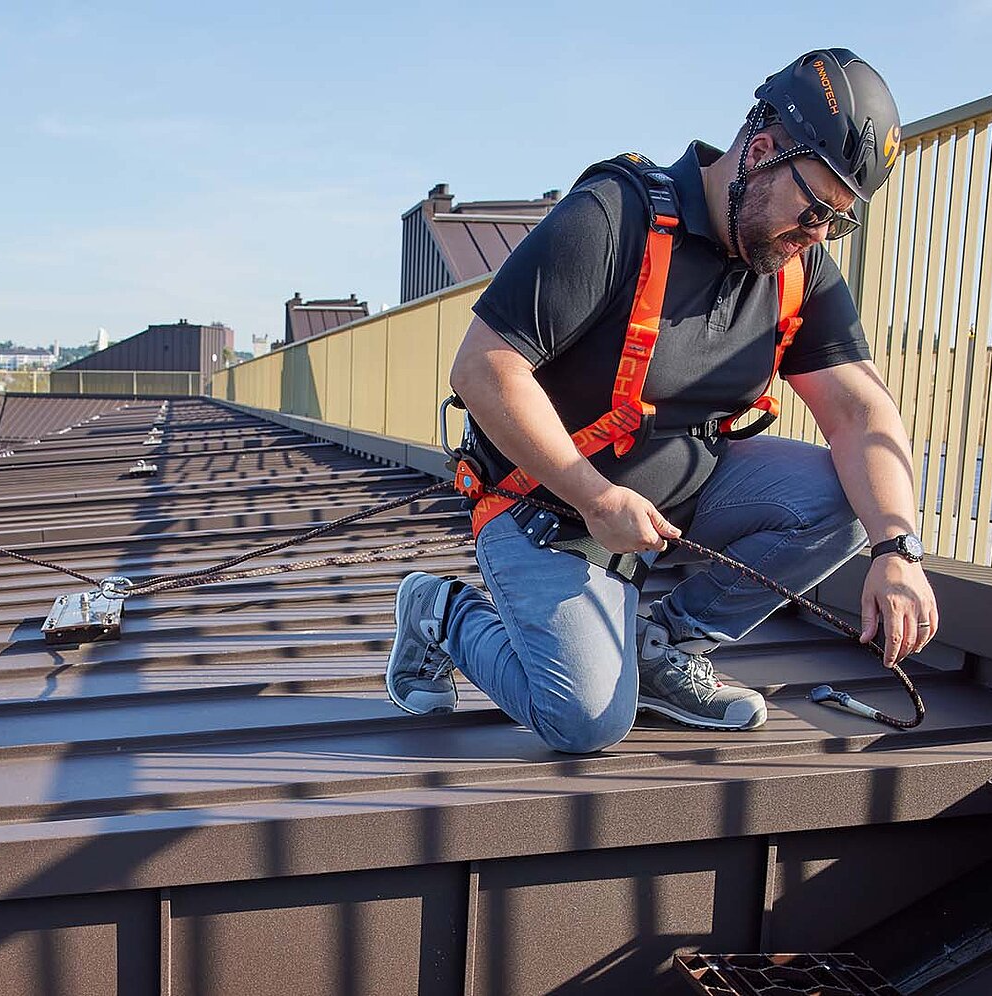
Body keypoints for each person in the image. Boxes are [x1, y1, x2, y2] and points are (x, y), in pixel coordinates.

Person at [386, 50, 938, 753]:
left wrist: (899, 550)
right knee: (584, 721)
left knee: (851, 502)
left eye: (840, 221)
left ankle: (657, 647)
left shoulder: (796, 265)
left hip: (680, 492)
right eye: (815, 210)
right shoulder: (612, 217)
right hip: (548, 506)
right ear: (762, 152)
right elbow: (483, 369)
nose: (821, 234)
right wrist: (593, 497)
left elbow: (861, 412)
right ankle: (442, 611)